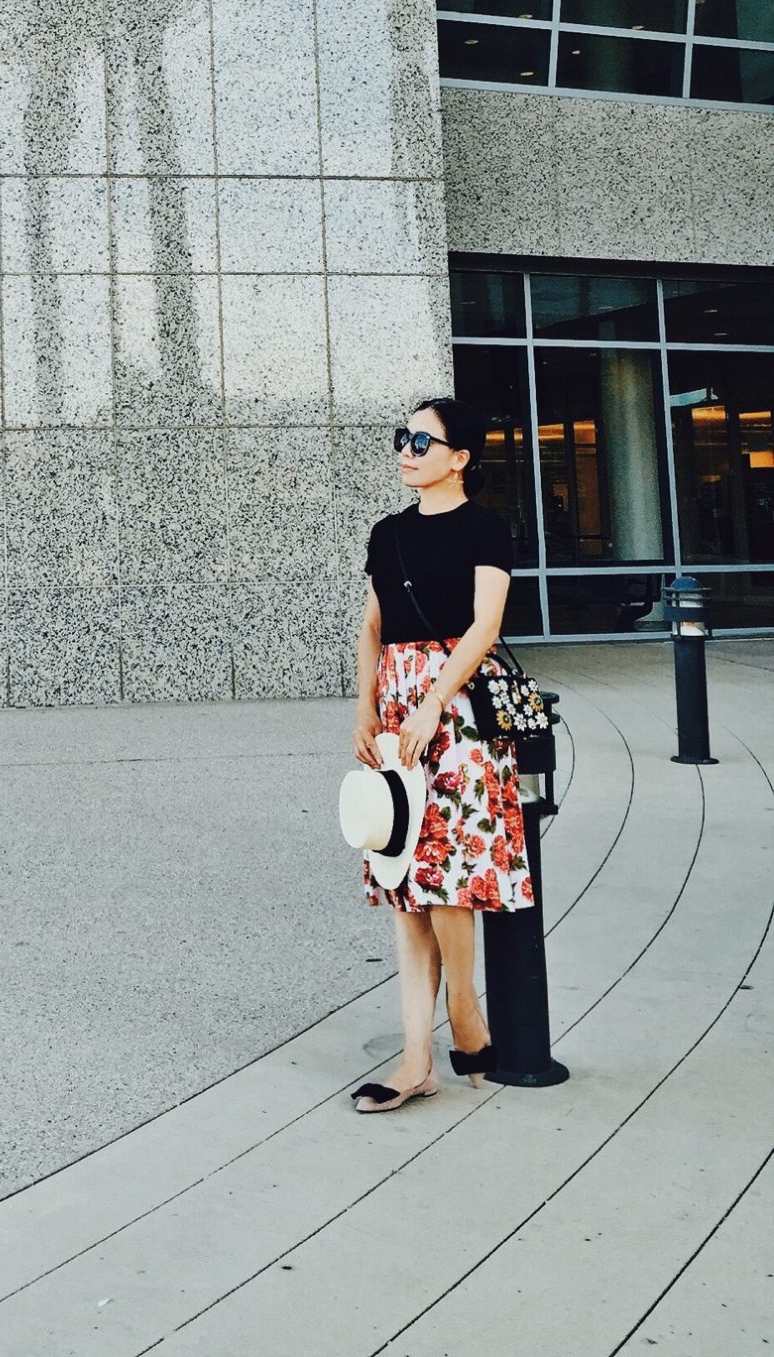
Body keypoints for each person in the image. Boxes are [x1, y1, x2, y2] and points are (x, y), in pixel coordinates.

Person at [350, 396, 533, 1115]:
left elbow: (484, 624)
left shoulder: (487, 528)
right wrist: (364, 705)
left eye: (421, 441)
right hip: (396, 712)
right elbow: (370, 626)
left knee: (449, 876)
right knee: (404, 882)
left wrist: (432, 699)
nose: (406, 450)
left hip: (455, 708)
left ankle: (463, 1003)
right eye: (403, 437)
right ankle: (417, 1060)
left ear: (459, 458)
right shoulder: (386, 534)